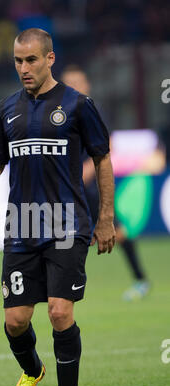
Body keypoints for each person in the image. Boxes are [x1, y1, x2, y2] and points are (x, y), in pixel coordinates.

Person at [0, 28, 116, 386]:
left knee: (60, 312)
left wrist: (106, 216)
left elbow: (102, 158)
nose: (24, 68)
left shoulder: (78, 105)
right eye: (18, 62)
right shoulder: (7, 108)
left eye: (31, 60)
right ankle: (31, 371)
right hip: (20, 227)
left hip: (67, 224)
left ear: (50, 58)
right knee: (15, 321)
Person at [61, 64, 150, 301]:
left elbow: (104, 148)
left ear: (86, 85)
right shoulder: (58, 113)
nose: (73, 87)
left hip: (89, 187)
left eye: (77, 82)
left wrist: (87, 171)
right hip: (67, 187)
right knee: (68, 237)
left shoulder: (91, 110)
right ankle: (60, 287)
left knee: (114, 232)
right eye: (68, 83)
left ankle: (141, 280)